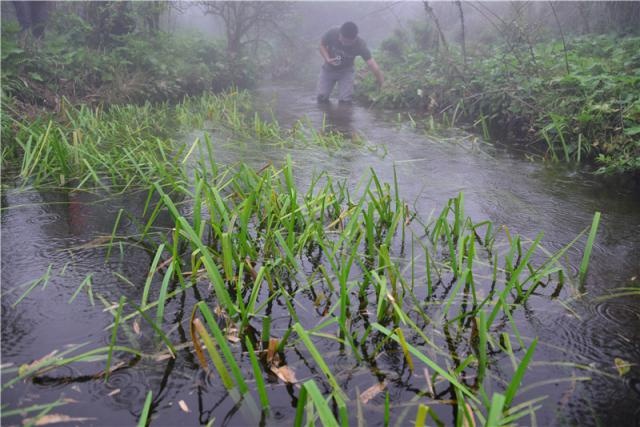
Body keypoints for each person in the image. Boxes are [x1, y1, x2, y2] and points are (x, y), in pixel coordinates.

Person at [316, 21, 384, 104]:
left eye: (348, 42)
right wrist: (327, 58)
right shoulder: (332, 32)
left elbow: (372, 65)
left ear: (354, 38)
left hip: (346, 72)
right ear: (340, 34)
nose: (344, 43)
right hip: (328, 69)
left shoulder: (360, 44)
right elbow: (321, 45)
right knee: (321, 98)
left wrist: (382, 84)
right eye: (342, 40)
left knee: (345, 101)